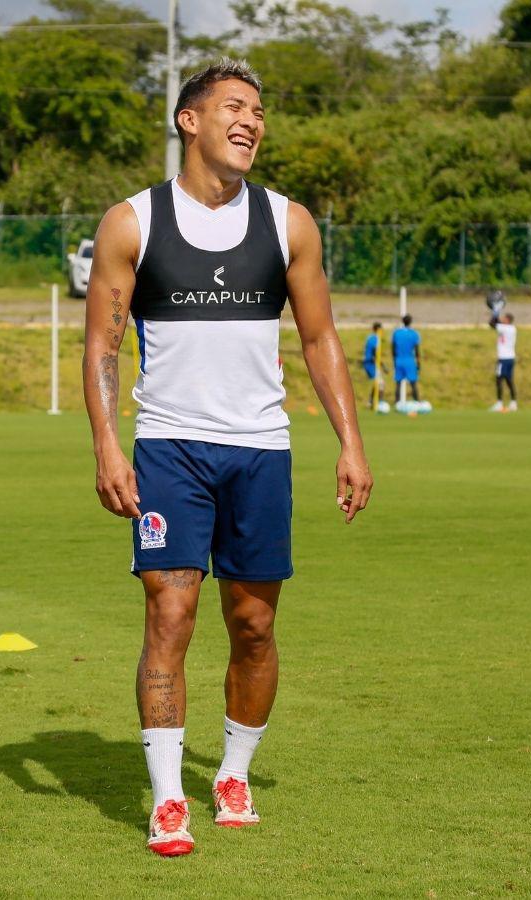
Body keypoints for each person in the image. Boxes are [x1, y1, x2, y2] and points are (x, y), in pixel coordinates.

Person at [81, 58, 373, 858]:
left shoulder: (289, 223)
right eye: (235, 107)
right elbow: (103, 344)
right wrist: (107, 443)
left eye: (260, 112)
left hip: (260, 451)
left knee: (253, 624)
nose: (251, 122)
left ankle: (233, 775)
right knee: (169, 614)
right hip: (169, 448)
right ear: (190, 119)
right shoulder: (133, 222)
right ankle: (168, 797)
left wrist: (350, 442)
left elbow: (319, 337)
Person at [489, 310, 517, 412]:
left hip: (503, 358)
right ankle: (514, 402)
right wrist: (496, 315)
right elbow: (497, 323)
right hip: (511, 358)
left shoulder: (504, 328)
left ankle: (499, 403)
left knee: (499, 379)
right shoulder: (513, 328)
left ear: (508, 320)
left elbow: (491, 324)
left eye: (504, 318)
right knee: (509, 380)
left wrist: (495, 312)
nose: (502, 319)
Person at [391, 314, 422, 403]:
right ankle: (417, 402)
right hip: (409, 360)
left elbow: (393, 349)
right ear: (411, 322)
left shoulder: (396, 333)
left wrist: (394, 361)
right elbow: (417, 351)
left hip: (399, 360)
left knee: (398, 383)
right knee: (413, 383)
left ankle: (397, 402)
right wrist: (418, 363)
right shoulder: (414, 334)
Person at [362, 322, 385, 407]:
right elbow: (375, 353)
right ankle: (379, 403)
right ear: (379, 329)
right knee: (380, 383)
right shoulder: (375, 339)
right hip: (370, 363)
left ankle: (371, 401)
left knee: (378, 382)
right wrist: (383, 365)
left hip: (370, 363)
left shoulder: (370, 337)